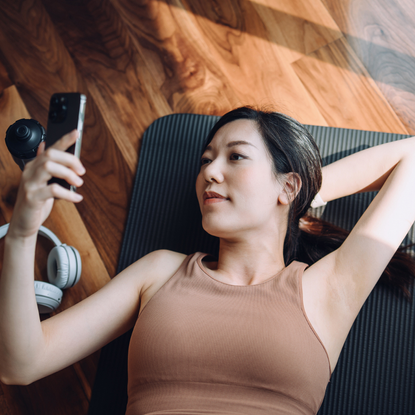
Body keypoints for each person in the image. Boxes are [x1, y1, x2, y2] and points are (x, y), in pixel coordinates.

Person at [1, 107, 415, 414]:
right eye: (205, 160)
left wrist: (301, 194)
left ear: (287, 183)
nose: (210, 171)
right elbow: (20, 363)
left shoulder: (325, 289)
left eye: (235, 157)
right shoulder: (159, 272)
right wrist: (21, 232)